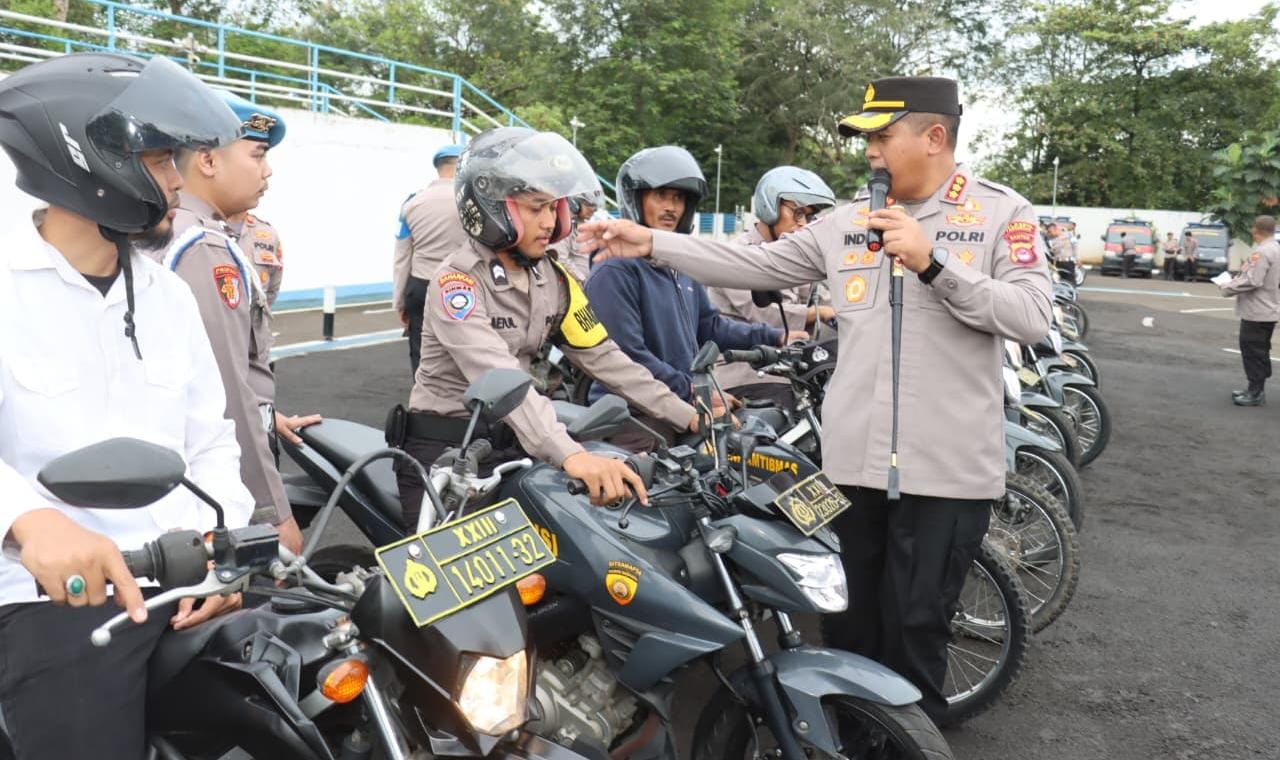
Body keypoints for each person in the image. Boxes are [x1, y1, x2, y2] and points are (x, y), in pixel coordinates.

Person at [578, 76, 1053, 723]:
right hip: (853, 469)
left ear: (934, 137)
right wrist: (653, 242)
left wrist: (935, 263)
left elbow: (1030, 315)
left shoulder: (1003, 215)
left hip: (947, 473)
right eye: (868, 140)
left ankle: (908, 739)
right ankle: (856, 739)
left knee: (917, 633)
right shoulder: (846, 224)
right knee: (848, 636)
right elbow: (754, 267)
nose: (871, 153)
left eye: (883, 136)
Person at [0, 52, 254, 759]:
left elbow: (213, 442)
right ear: (84, 156)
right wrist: (28, 519)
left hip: (184, 582)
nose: (177, 181)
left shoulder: (167, 295)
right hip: (51, 599)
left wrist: (221, 550)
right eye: (161, 160)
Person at [393, 128, 712, 524]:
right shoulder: (457, 284)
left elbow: (607, 358)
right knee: (451, 582)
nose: (550, 222)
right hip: (446, 457)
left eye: (554, 208)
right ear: (493, 208)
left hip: (511, 448)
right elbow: (502, 378)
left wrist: (688, 415)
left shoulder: (553, 280)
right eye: (536, 207)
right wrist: (573, 455)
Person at [152, 90, 304, 554]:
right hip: (215, 472)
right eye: (257, 154)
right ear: (208, 161)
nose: (268, 169)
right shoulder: (204, 248)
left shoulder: (174, 230)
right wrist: (271, 512)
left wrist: (266, 415)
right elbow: (226, 393)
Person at [584, 146, 804, 450]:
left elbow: (710, 327)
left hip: (684, 401)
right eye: (661, 195)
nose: (671, 207)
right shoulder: (614, 270)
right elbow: (628, 356)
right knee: (665, 493)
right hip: (635, 413)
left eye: (678, 198)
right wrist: (693, 391)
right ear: (636, 199)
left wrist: (776, 338)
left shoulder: (677, 264)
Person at [709, 166, 838, 404]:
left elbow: (820, 295)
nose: (803, 224)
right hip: (748, 375)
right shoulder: (740, 255)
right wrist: (820, 313)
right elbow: (765, 314)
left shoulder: (794, 256)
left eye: (809, 217)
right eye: (797, 213)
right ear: (770, 208)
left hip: (792, 373)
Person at [226, 208, 323, 450]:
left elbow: (267, 297)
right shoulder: (189, 230)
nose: (266, 172)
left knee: (262, 453)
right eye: (257, 165)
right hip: (217, 366)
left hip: (256, 362)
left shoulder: (266, 233)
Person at [393, 144, 468, 373]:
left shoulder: (412, 203)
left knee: (421, 351)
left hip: (421, 286)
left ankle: (421, 402)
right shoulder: (471, 203)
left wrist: (399, 302)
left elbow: (402, 256)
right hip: (461, 287)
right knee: (464, 350)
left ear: (438, 168)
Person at [1218, 216, 1280, 406]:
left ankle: (1255, 393)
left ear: (1256, 230)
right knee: (1259, 350)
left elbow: (1253, 280)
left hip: (1257, 310)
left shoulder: (1262, 252)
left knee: (1252, 350)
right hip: (1268, 309)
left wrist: (1227, 287)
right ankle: (1254, 389)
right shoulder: (1276, 249)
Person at [546, 180, 605, 282]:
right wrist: (584, 281)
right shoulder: (564, 225)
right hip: (575, 287)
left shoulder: (583, 223)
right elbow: (560, 259)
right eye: (590, 205)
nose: (594, 210)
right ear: (575, 203)